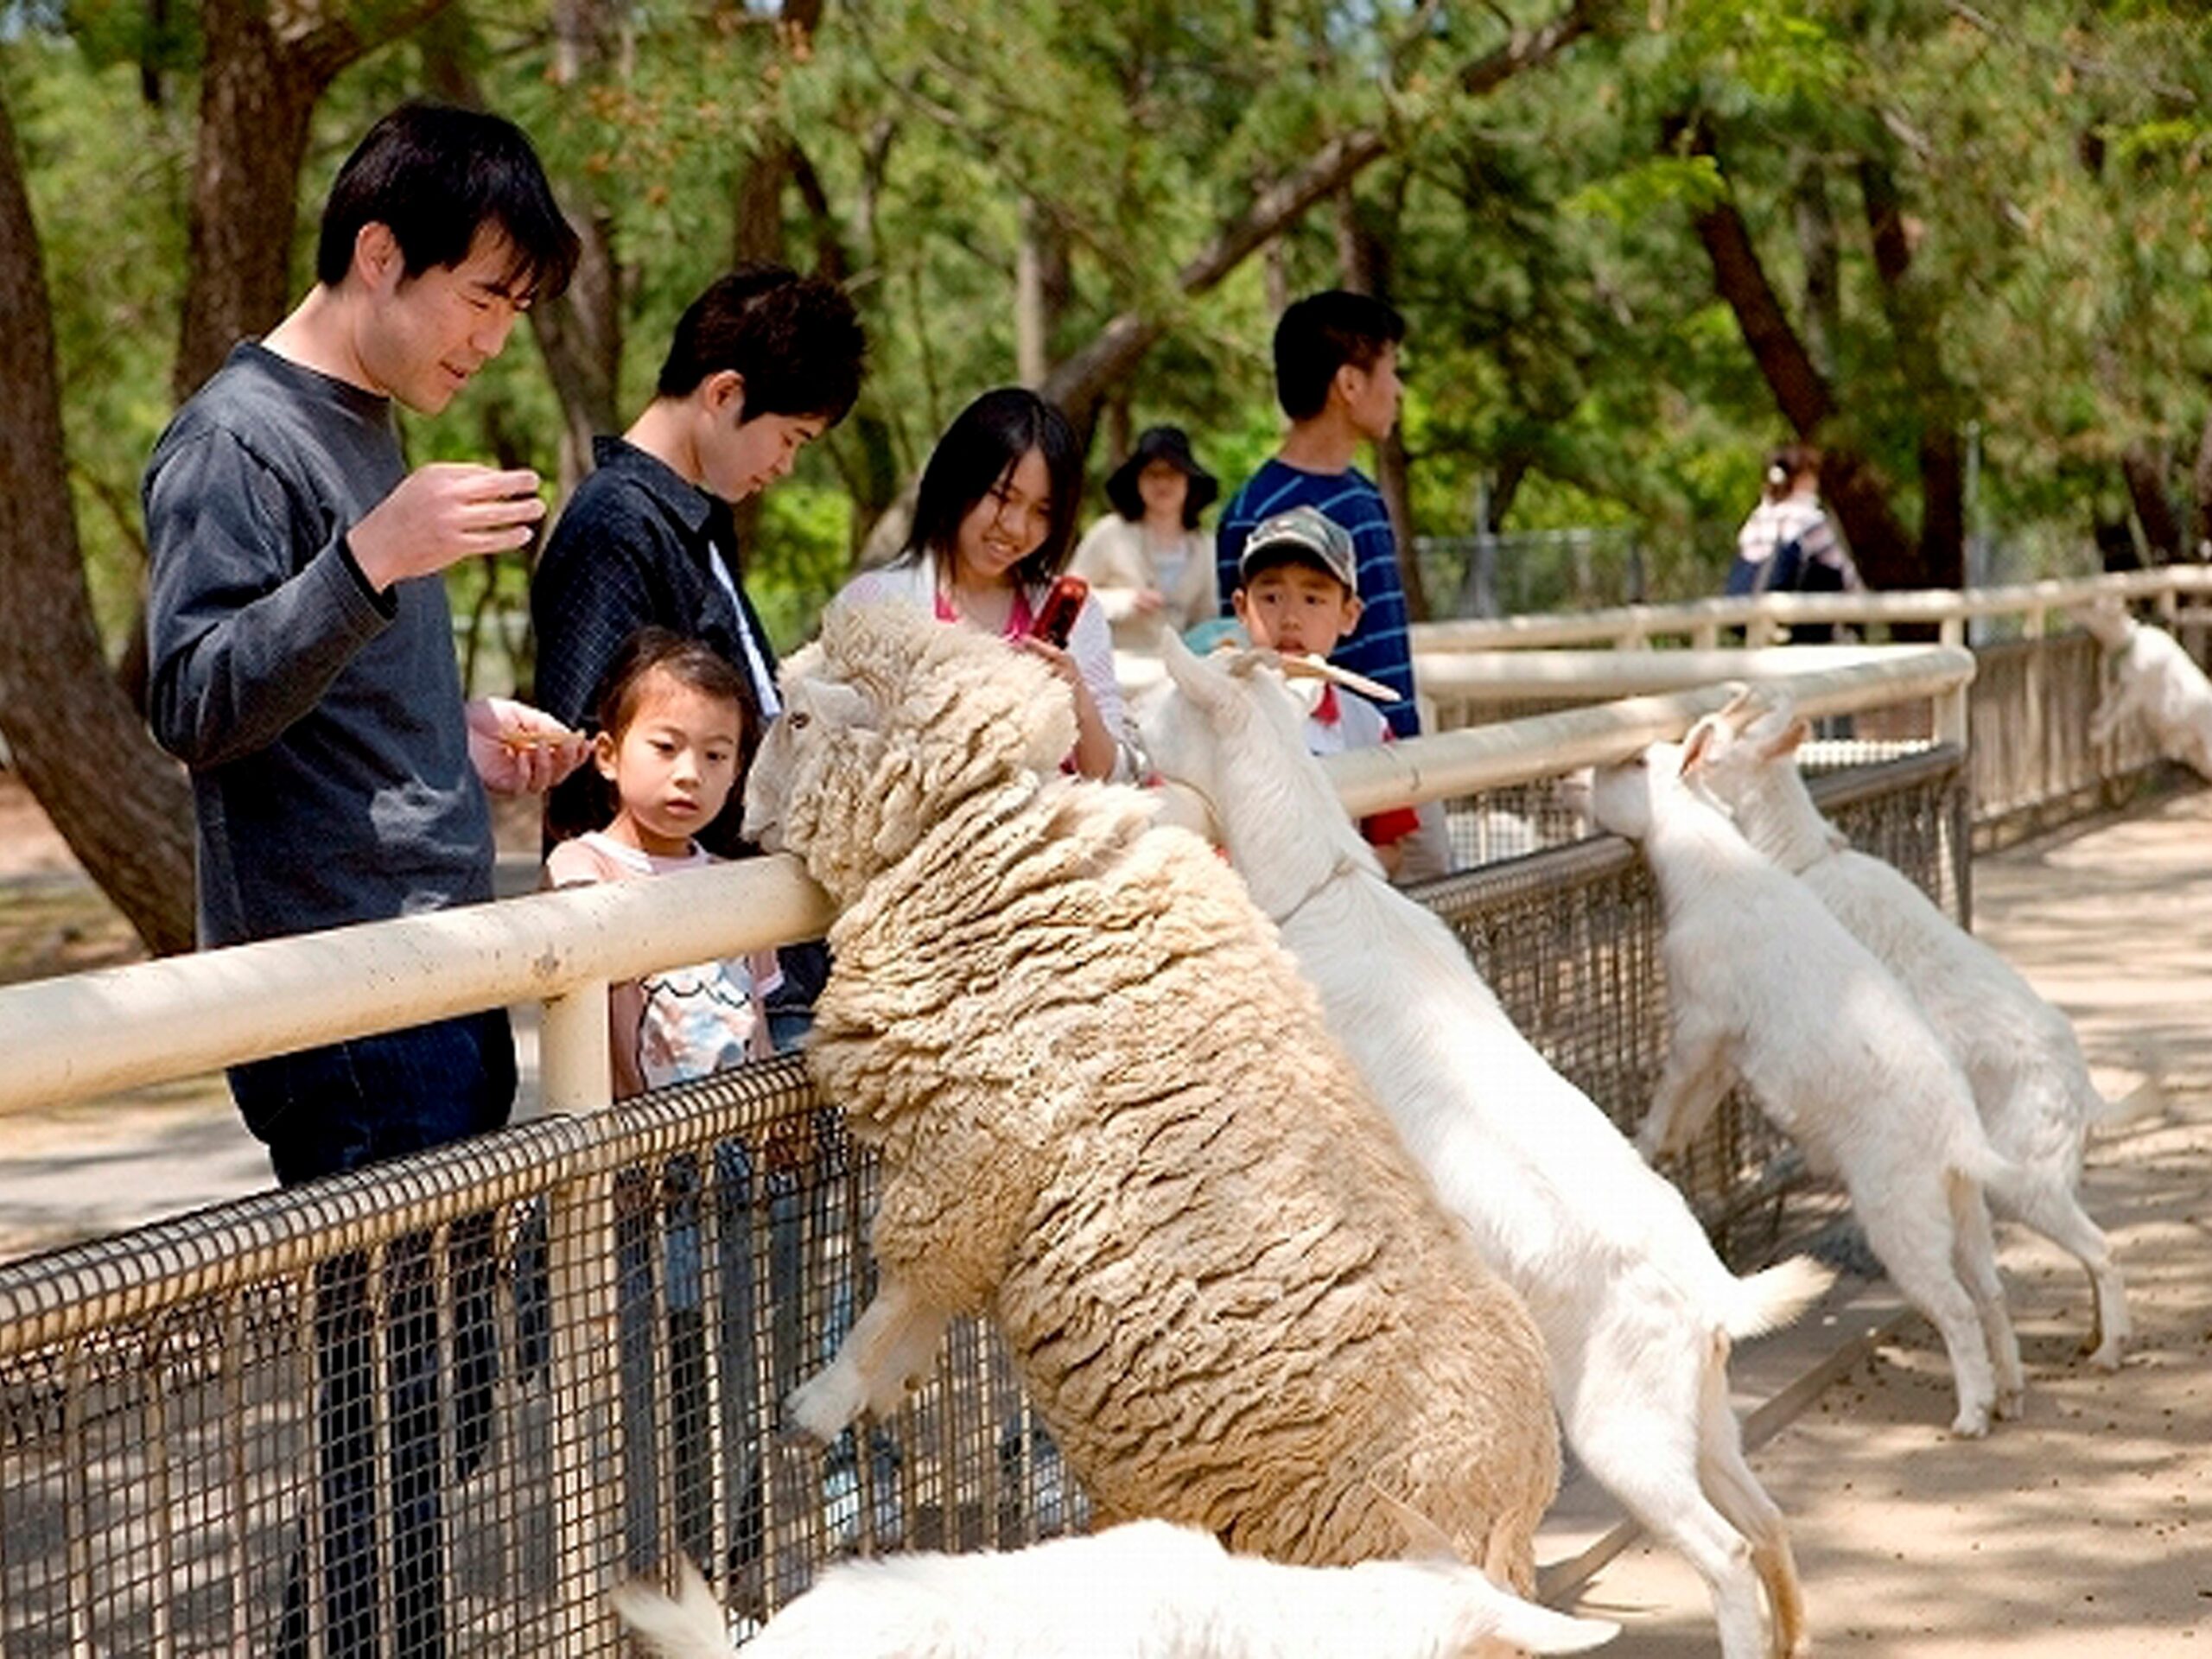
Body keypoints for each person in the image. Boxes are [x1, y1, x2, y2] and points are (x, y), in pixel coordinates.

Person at [141, 102, 583, 1659]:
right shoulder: (237, 438)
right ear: (379, 255)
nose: (495, 341)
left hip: (438, 972)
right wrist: (367, 563)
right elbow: (190, 699)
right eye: (485, 297)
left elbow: (310, 691)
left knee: (443, 1404)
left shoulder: (370, 431)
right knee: (394, 1418)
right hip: (337, 1000)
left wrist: (455, 735)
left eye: (517, 313)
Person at [532, 264, 866, 1049]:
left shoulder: (697, 519)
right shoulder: (618, 527)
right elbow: (585, 768)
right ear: (723, 394)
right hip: (687, 995)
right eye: (790, 438)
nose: (785, 466)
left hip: (748, 954)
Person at [543, 627, 779, 1575]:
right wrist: (631, 1132)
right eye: (666, 747)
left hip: (724, 1185)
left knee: (723, 1379)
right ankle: (639, 1582)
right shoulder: (583, 871)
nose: (691, 774)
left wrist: (769, 1124)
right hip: (635, 1186)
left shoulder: (735, 885)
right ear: (607, 755)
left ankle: (718, 1570)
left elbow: (757, 1020)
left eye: (716, 755)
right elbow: (598, 1022)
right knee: (631, 1389)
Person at [838, 386, 1141, 781]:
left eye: (1042, 511)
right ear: (957, 479)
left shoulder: (1078, 617)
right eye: (1002, 497)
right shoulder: (872, 604)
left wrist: (1077, 699)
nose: (1016, 527)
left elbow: (1109, 778)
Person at [1215, 289, 1420, 737]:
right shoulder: (1255, 511)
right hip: (1314, 763)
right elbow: (1245, 662)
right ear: (1350, 384)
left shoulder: (1364, 495)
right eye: (1392, 370)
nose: (1398, 389)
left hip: (1391, 754)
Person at [1230, 505, 1446, 882]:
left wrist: (1327, 872)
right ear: (1241, 608)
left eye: (1313, 600)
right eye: (1271, 597)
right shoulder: (1216, 711)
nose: (1291, 618)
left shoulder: (1364, 724)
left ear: (1350, 614)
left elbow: (1390, 844)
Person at [1068, 423, 1220, 652]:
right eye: (1152, 474)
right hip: (1114, 668)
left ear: (1189, 481)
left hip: (1177, 673)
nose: (1162, 483)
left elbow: (1207, 618)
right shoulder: (1110, 533)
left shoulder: (1205, 546)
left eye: (1172, 473)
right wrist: (1125, 601)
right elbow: (1068, 595)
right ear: (1137, 480)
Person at [1726, 443, 1862, 642]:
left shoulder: (1758, 517)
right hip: (1799, 624)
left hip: (1752, 617)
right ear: (1803, 478)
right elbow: (1842, 570)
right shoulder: (1809, 518)